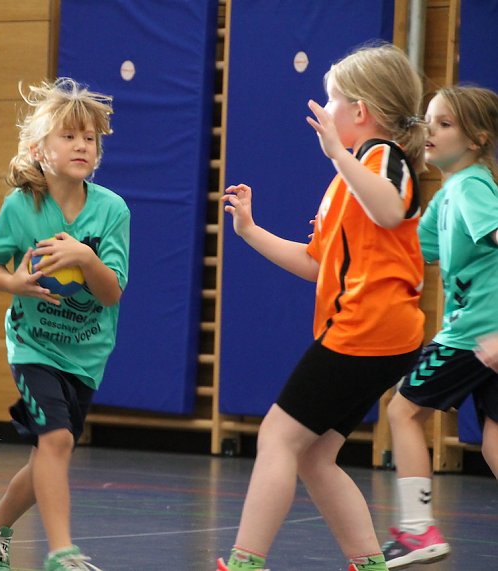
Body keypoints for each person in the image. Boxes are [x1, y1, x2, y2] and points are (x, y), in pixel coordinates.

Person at [216, 43, 427, 571]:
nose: (324, 109)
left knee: (276, 437)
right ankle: (369, 562)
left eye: (331, 99)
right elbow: (317, 264)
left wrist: (338, 154)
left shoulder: (383, 160)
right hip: (369, 333)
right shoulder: (348, 178)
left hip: (369, 327)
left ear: (360, 112)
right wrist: (250, 231)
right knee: (313, 455)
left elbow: (387, 209)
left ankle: (245, 562)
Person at [0, 77, 129, 571]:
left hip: (87, 354)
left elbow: (111, 291)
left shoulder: (111, 210)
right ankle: (62, 553)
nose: (82, 145)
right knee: (56, 441)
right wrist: (13, 284)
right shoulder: (22, 208)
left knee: (47, 457)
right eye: (69, 136)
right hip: (33, 346)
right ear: (39, 149)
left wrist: (85, 256)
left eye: (90, 138)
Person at [381, 85, 498, 569]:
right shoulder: (448, 194)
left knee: (403, 412)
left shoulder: (471, 187)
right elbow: (409, 252)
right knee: (494, 432)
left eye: (445, 124)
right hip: (481, 335)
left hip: (472, 334)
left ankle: (417, 530)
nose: (431, 132)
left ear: (477, 138)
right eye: (429, 121)